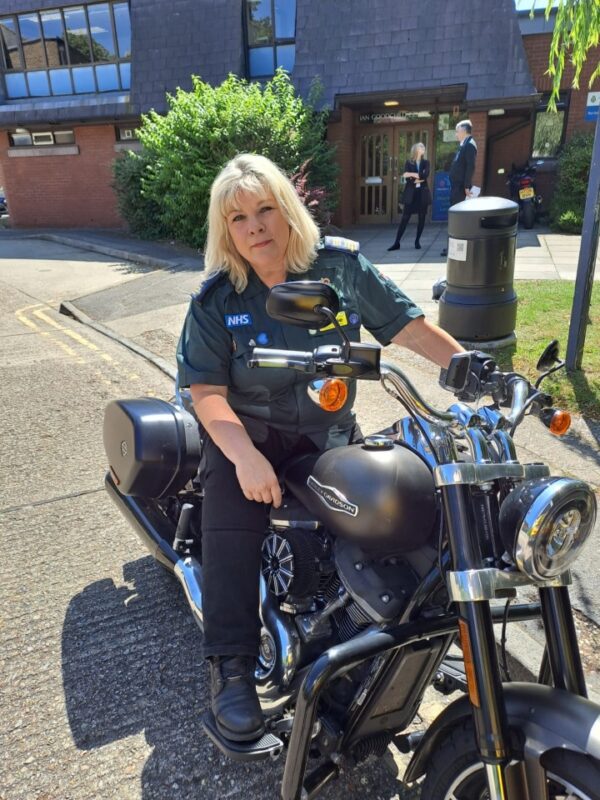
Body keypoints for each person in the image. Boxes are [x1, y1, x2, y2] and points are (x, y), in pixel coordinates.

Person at [176, 153, 464, 743]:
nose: (255, 226)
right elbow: (205, 391)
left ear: (286, 210)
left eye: (264, 209)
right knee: (233, 521)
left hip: (324, 436)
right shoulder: (218, 299)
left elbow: (404, 326)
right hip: (245, 435)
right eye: (238, 219)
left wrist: (466, 366)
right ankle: (230, 667)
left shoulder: (339, 268)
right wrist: (245, 457)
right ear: (225, 230)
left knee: (392, 509)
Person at [440, 119, 477, 256]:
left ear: (463, 131)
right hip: (457, 187)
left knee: (457, 218)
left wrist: (467, 186)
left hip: (461, 188)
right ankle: (453, 247)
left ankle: (455, 248)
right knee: (454, 217)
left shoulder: (470, 145)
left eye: (457, 131)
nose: (456, 134)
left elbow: (470, 166)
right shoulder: (464, 144)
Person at [387, 142, 431, 251]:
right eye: (421, 147)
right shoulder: (409, 162)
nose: (423, 148)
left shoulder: (426, 162)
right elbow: (406, 177)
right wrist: (413, 176)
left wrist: (412, 175)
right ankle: (396, 242)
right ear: (415, 149)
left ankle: (417, 241)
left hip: (422, 194)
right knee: (405, 218)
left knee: (421, 218)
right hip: (411, 194)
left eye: (423, 147)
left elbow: (425, 176)